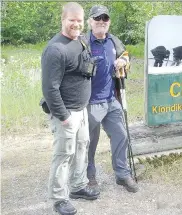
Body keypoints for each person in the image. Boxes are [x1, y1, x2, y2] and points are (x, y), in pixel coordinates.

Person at [41, 2, 100, 215]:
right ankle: (58, 199)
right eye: (71, 20)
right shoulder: (55, 49)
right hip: (65, 113)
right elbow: (49, 89)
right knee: (63, 155)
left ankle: (77, 187)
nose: (76, 24)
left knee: (82, 146)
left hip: (82, 109)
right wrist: (64, 117)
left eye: (79, 20)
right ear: (62, 20)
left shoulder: (82, 41)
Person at [86, 5, 139, 193]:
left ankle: (122, 174)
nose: (101, 22)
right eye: (97, 18)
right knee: (89, 142)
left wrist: (124, 61)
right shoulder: (83, 43)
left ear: (109, 22)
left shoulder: (113, 41)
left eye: (105, 19)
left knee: (121, 135)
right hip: (90, 103)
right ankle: (89, 176)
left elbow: (126, 55)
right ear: (90, 21)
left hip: (111, 99)